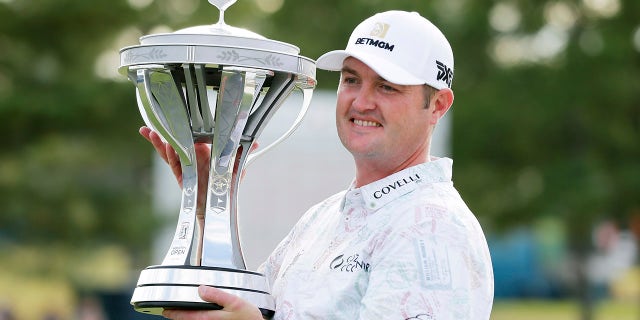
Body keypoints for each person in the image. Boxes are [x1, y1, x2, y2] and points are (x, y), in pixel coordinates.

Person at [141, 10, 494, 320]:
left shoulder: (432, 229)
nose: (362, 101)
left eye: (387, 87)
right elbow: (236, 305)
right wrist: (209, 210)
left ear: (437, 105)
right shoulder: (323, 218)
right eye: (352, 79)